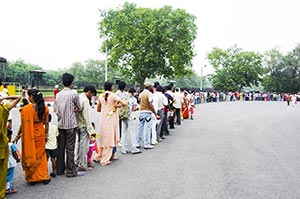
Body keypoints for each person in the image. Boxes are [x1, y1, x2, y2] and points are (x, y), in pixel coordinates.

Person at [13, 88, 50, 185]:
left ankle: (32, 178)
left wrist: (17, 136)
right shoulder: (45, 108)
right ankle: (44, 176)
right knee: (41, 156)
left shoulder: (26, 109)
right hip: (40, 135)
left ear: (31, 97)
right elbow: (46, 123)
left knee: (31, 154)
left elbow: (23, 124)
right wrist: (46, 135)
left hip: (29, 136)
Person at [54, 73, 83, 177]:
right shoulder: (74, 93)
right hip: (71, 124)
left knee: (60, 147)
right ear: (71, 83)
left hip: (61, 124)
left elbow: (56, 110)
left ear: (62, 82)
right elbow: (79, 107)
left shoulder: (58, 95)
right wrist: (74, 109)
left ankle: (60, 169)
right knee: (70, 148)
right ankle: (71, 171)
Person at [94, 81, 127, 166]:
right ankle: (105, 159)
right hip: (111, 119)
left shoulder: (101, 96)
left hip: (103, 119)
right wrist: (116, 106)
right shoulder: (113, 95)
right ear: (111, 87)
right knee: (110, 138)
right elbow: (124, 103)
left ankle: (100, 155)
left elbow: (98, 109)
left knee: (103, 137)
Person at [0, 95, 20, 199]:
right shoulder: (3, 108)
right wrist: (4, 98)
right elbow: (18, 97)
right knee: (2, 171)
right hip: (2, 144)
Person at [75, 85, 97, 171]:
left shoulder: (79, 97)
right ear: (89, 92)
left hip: (77, 125)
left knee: (79, 145)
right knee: (84, 147)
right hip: (83, 126)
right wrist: (91, 130)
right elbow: (86, 117)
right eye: (92, 95)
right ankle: (83, 165)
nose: (91, 97)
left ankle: (77, 162)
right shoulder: (85, 100)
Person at [136, 82, 159, 149]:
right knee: (147, 128)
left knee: (140, 128)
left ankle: (138, 143)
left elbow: (140, 101)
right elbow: (150, 104)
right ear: (149, 87)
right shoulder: (149, 94)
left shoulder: (141, 94)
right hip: (147, 112)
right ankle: (147, 144)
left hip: (141, 112)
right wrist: (154, 112)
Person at [120, 87, 141, 154]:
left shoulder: (124, 97)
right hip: (131, 116)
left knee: (124, 133)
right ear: (133, 92)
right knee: (132, 132)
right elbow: (134, 109)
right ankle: (134, 148)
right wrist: (138, 107)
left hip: (124, 116)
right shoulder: (133, 99)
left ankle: (123, 148)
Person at [6, 125, 20, 195]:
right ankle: (8, 189)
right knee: (10, 176)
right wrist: (17, 159)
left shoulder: (4, 144)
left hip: (5, 163)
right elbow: (15, 153)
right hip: (11, 163)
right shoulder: (11, 145)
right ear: (9, 136)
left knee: (5, 175)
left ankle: (4, 187)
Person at [45, 114, 59, 178]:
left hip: (46, 146)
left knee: (45, 160)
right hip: (53, 146)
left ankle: (45, 172)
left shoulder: (43, 127)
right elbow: (57, 135)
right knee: (53, 159)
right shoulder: (55, 127)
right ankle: (54, 171)